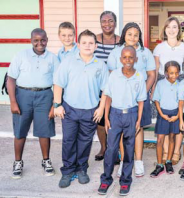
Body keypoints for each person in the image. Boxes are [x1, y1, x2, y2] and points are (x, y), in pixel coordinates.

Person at [54, 30, 109, 188]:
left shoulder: (100, 65)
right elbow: (58, 83)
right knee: (69, 141)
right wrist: (57, 105)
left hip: (90, 110)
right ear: (78, 45)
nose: (87, 46)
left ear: (96, 46)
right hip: (70, 109)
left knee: (85, 141)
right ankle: (68, 170)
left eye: (91, 43)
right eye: (84, 43)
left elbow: (105, 89)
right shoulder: (68, 61)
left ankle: (81, 169)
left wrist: (100, 108)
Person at [7, 28, 59, 179]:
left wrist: (54, 104)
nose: (39, 43)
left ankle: (46, 161)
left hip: (45, 95)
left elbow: (58, 83)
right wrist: (13, 102)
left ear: (47, 40)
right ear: (31, 40)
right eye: (36, 40)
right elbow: (10, 79)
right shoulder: (21, 55)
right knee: (20, 131)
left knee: (44, 131)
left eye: (42, 40)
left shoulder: (53, 58)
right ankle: (17, 162)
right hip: (23, 95)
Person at [107, 22, 156, 177]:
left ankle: (139, 161)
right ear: (124, 35)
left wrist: (142, 93)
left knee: (138, 127)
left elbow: (152, 75)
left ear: (139, 36)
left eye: (136, 34)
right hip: (120, 101)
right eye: (129, 34)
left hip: (139, 98)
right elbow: (111, 75)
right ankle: (124, 161)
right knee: (122, 132)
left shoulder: (145, 52)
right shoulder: (116, 52)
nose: (133, 37)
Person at [98, 46, 146, 196]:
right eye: (124, 57)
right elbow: (108, 96)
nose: (128, 60)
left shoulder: (139, 76)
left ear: (136, 59)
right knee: (111, 149)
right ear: (120, 60)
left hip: (131, 114)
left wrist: (138, 119)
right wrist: (106, 117)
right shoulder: (114, 75)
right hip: (115, 114)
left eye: (131, 57)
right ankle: (106, 179)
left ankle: (125, 181)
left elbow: (141, 101)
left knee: (129, 148)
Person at [152, 16, 184, 165]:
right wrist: (153, 88)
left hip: (180, 82)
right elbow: (156, 70)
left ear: (179, 30)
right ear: (165, 29)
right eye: (168, 27)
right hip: (163, 82)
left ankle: (176, 151)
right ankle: (164, 150)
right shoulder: (159, 48)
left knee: (179, 117)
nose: (171, 30)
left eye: (175, 27)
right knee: (164, 118)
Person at [94, 11, 120, 162]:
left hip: (117, 86)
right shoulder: (95, 40)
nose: (107, 24)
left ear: (115, 23)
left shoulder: (120, 41)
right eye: (104, 21)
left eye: (110, 21)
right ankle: (103, 147)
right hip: (98, 86)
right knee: (101, 119)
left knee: (115, 119)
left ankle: (114, 149)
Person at [150, 61, 180, 177]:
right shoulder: (161, 84)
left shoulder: (180, 85)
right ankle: (159, 164)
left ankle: (168, 161)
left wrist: (177, 116)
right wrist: (161, 114)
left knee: (172, 138)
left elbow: (182, 102)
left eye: (176, 73)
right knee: (160, 140)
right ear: (166, 73)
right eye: (171, 73)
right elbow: (156, 99)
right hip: (163, 114)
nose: (174, 75)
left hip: (175, 114)